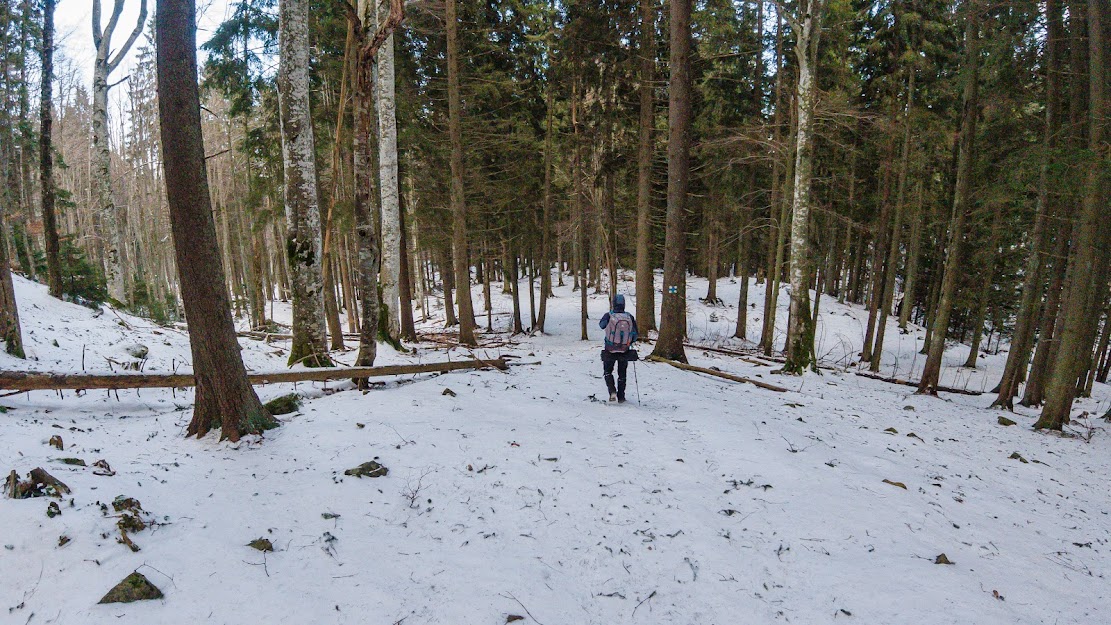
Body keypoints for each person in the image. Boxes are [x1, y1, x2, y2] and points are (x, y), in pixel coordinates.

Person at [599, 294, 639, 403]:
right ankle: (621, 396)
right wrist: (629, 341)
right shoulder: (629, 317)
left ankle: (612, 391)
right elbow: (635, 334)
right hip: (624, 349)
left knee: (608, 371)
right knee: (622, 373)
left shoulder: (609, 315)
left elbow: (601, 325)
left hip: (610, 348)